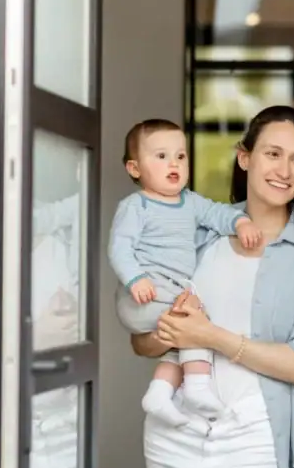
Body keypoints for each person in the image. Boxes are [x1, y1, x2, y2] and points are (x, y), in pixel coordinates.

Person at [130, 105, 294, 468]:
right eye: (273, 153)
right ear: (244, 157)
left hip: (253, 440)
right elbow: (142, 342)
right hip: (172, 434)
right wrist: (171, 331)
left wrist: (207, 335)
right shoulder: (199, 234)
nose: (285, 170)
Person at [109, 118, 263, 425]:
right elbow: (119, 248)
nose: (174, 163)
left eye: (180, 156)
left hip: (167, 297)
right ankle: (196, 387)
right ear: (135, 169)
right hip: (144, 293)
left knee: (184, 329)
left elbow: (218, 213)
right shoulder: (135, 206)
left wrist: (240, 223)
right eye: (161, 156)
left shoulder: (190, 202)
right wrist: (135, 279)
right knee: (196, 316)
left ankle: (160, 391)